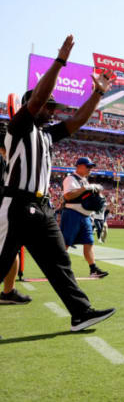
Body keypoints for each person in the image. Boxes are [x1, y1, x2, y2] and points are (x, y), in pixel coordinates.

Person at [0, 35, 115, 330]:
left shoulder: (47, 135)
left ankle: (81, 312)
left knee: (59, 263)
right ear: (30, 106)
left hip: (42, 208)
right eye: (47, 106)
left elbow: (76, 121)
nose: (52, 110)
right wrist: (60, 62)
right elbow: (38, 98)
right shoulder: (19, 127)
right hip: (16, 205)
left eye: (53, 107)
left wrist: (97, 95)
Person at [61, 157, 109, 278]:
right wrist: (85, 188)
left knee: (89, 242)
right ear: (79, 166)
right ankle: (58, 269)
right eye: (88, 166)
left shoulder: (85, 180)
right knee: (65, 243)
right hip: (72, 213)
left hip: (85, 216)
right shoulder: (70, 178)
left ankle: (93, 269)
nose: (90, 169)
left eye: (91, 167)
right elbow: (68, 196)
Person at [0, 130, 31, 304]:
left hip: (7, 213)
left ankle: (8, 291)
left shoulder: (10, 161)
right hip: (4, 211)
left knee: (11, 251)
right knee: (10, 251)